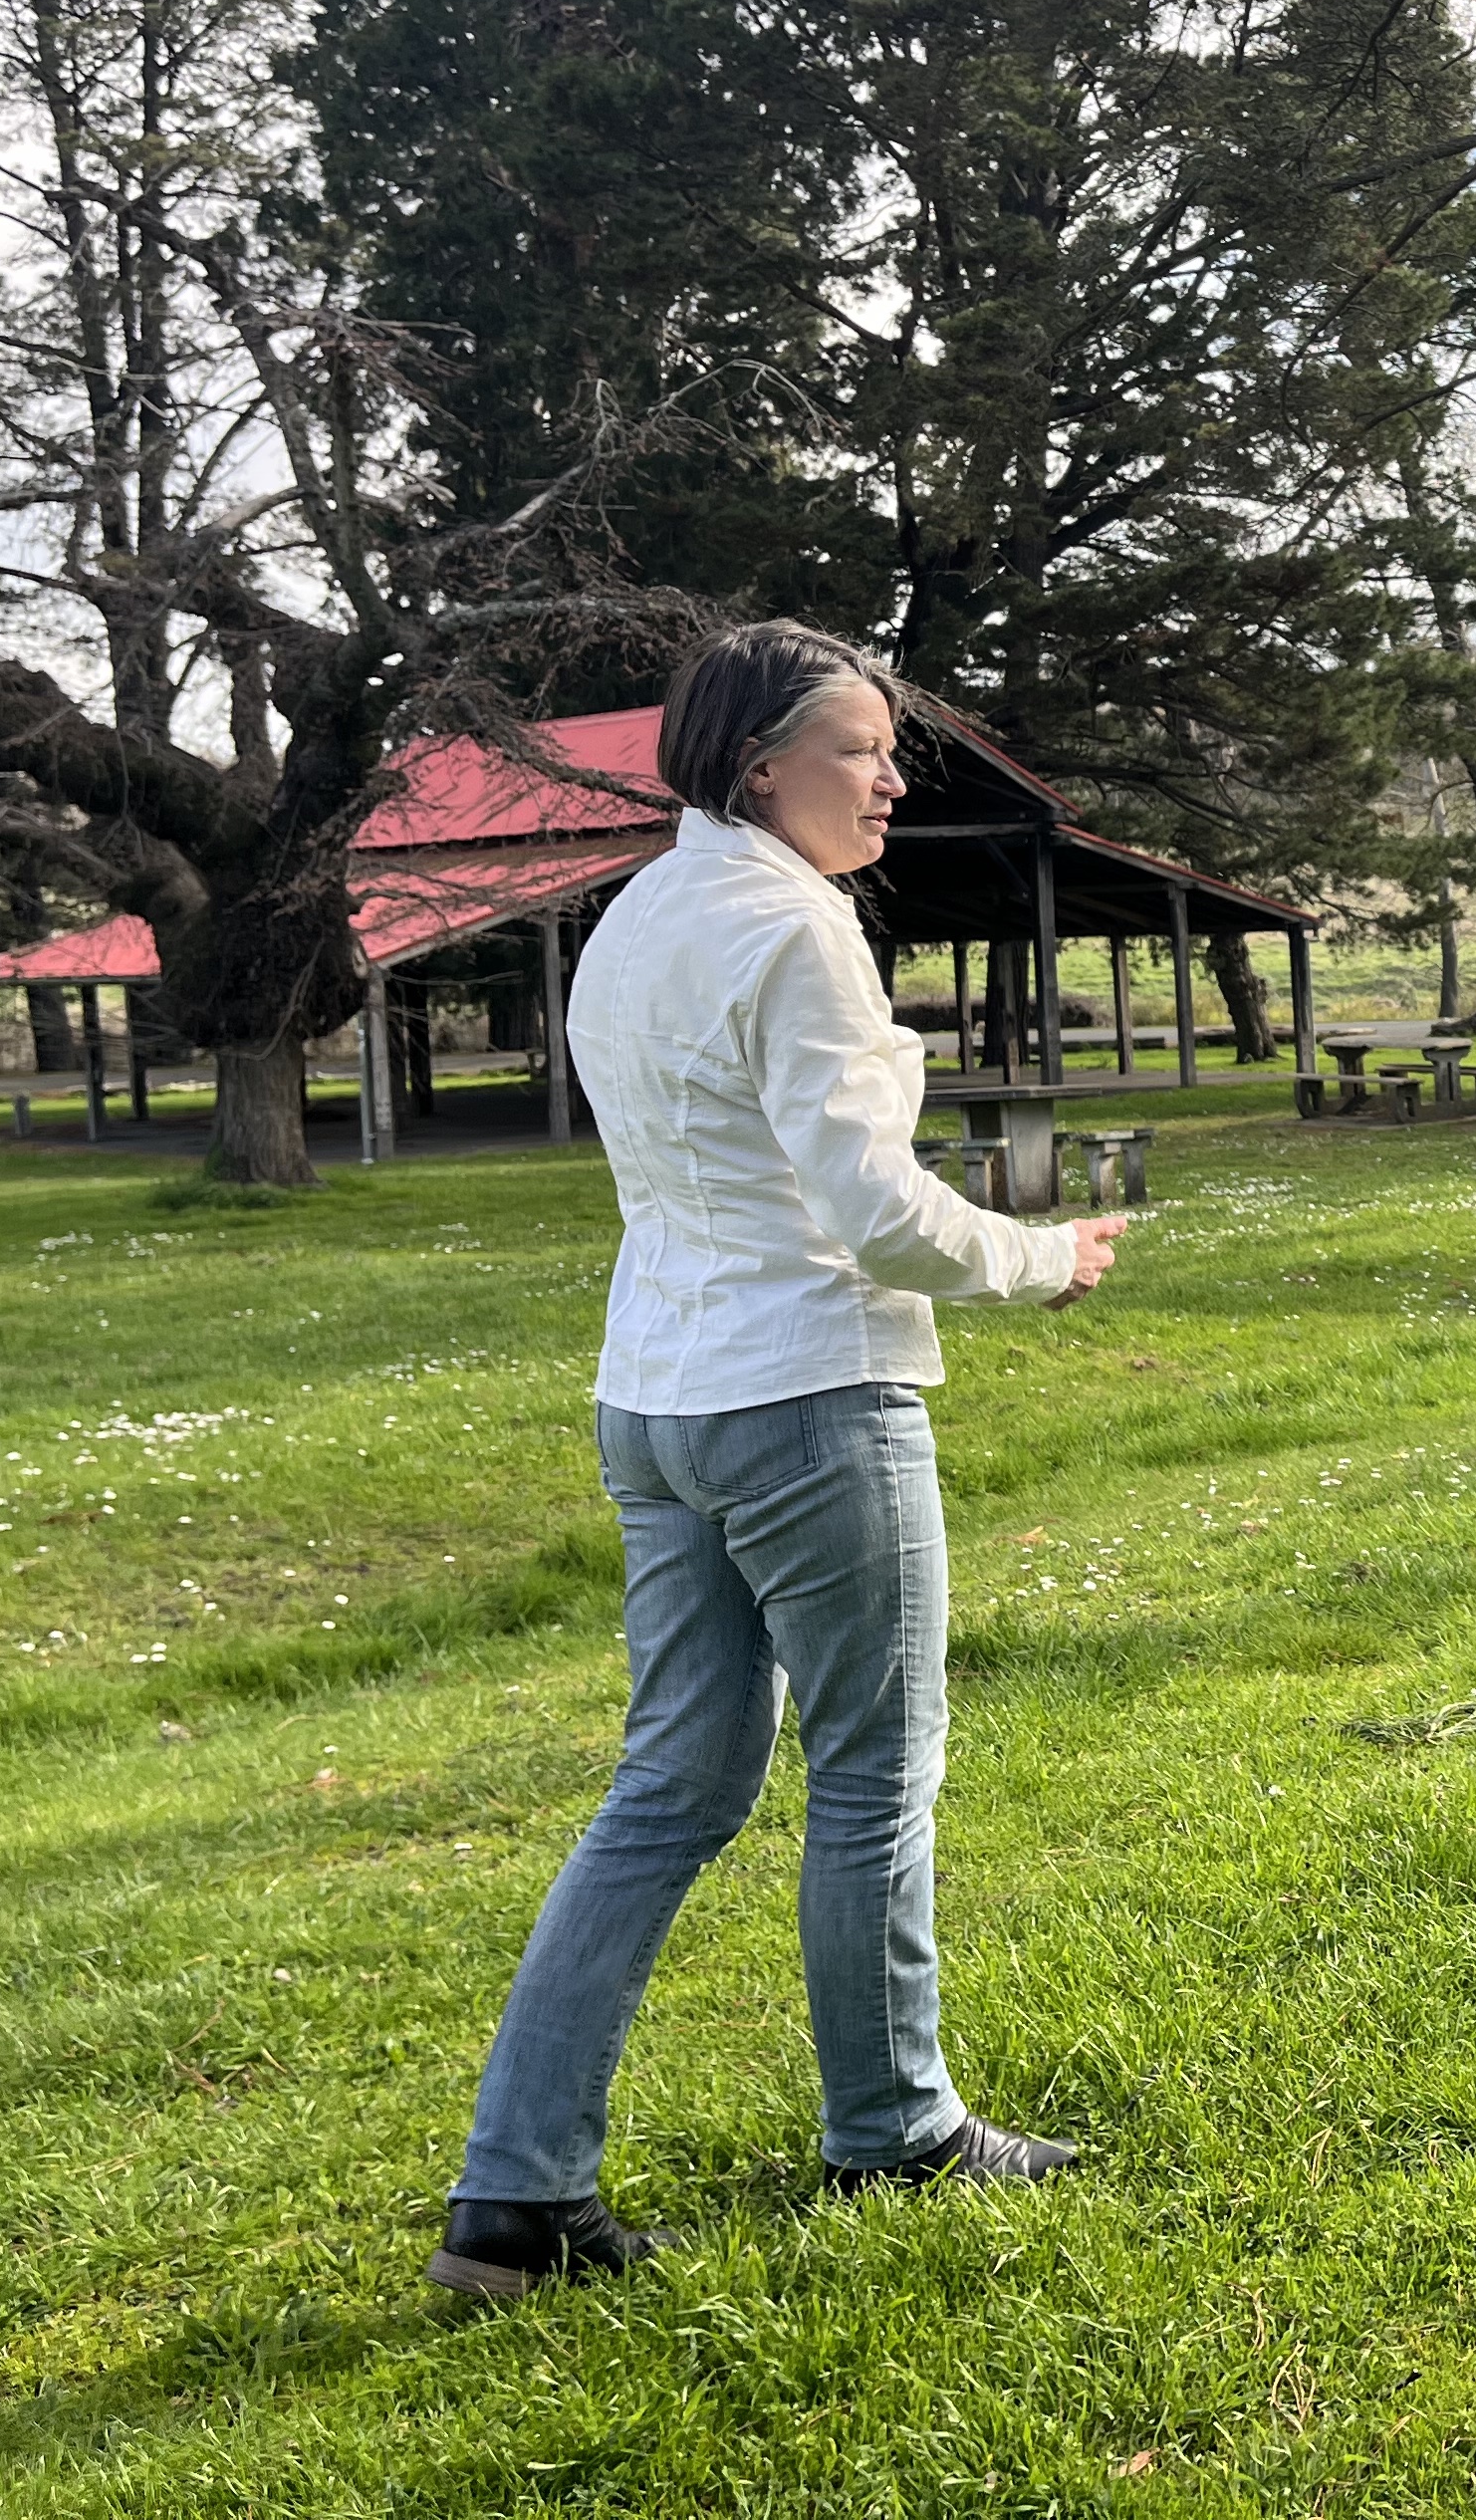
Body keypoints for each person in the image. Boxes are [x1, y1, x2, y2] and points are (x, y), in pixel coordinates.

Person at [429, 621, 1126, 2301]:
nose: (891, 778)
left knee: (670, 1784)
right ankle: (895, 2128)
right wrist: (1041, 1259)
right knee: (875, 1772)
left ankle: (513, 2199)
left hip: (656, 1399)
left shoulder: (635, 916)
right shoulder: (793, 928)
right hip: (807, 1396)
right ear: (759, 765)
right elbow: (871, 1213)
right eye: (859, 750)